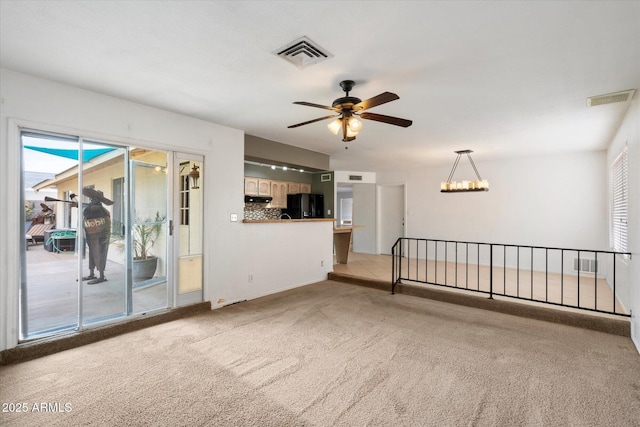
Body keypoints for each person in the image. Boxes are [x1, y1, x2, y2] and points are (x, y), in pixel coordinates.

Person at [82, 188, 113, 285]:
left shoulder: (100, 209)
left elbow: (87, 212)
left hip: (100, 237)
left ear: (98, 199)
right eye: (91, 198)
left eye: (93, 198)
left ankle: (101, 276)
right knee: (92, 254)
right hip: (91, 235)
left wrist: (86, 207)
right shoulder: (93, 208)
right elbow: (86, 214)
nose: (91, 200)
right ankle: (92, 273)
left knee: (100, 254)